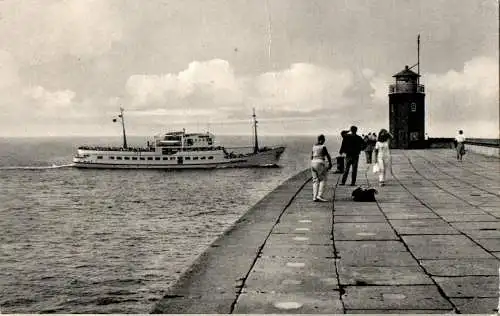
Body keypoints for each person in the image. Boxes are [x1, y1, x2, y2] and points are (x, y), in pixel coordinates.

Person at [311, 134, 333, 202]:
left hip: (313, 163)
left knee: (315, 180)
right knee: (323, 179)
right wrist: (330, 163)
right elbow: (327, 155)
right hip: (320, 163)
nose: (324, 141)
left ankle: (314, 197)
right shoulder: (323, 146)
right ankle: (320, 196)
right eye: (324, 140)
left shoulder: (313, 146)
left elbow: (311, 156)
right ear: (322, 139)